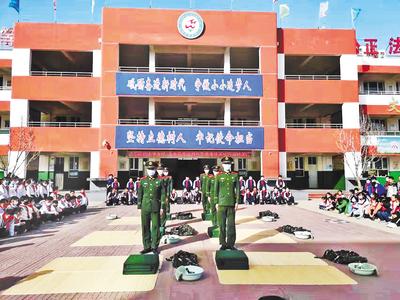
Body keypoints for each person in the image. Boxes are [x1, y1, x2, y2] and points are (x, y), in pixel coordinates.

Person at [137, 161, 165, 254]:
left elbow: (163, 195)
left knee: (155, 227)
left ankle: (154, 246)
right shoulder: (143, 180)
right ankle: (146, 246)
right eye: (149, 169)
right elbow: (140, 193)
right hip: (145, 207)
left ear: (155, 169)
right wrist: (139, 206)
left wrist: (162, 207)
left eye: (152, 169)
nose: (150, 171)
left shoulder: (160, 180)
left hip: (156, 207)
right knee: (145, 227)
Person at [215, 156, 240, 251]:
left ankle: (230, 243)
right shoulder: (219, 176)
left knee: (231, 225)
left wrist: (237, 201)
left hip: (231, 203)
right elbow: (215, 190)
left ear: (231, 164)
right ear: (222, 165)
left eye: (228, 164)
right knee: (221, 225)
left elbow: (237, 189)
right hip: (221, 203)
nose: (227, 165)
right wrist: (216, 202)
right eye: (225, 164)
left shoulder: (235, 175)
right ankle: (223, 243)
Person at [160, 166, 173, 232]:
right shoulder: (161, 177)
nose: (165, 173)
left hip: (167, 192)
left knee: (167, 202)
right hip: (162, 192)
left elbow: (170, 185)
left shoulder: (169, 177)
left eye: (166, 172)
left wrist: (170, 191)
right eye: (164, 172)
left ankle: (168, 211)